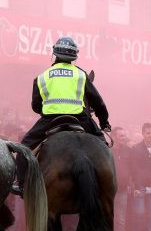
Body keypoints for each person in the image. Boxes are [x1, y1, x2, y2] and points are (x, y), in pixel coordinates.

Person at [12, 36, 110, 196]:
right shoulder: (81, 75)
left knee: (24, 148)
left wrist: (49, 109)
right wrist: (104, 123)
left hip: (50, 120)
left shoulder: (42, 77)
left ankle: (21, 184)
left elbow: (36, 105)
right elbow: (98, 102)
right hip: (80, 118)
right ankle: (106, 184)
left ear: (55, 54)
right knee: (103, 147)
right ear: (74, 57)